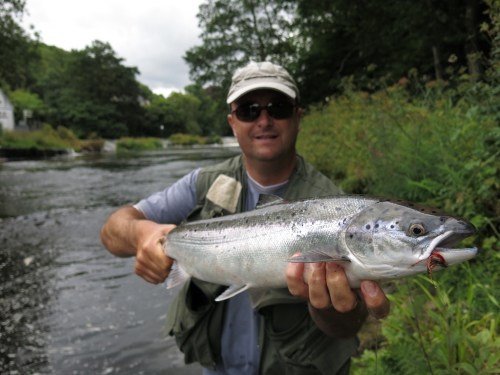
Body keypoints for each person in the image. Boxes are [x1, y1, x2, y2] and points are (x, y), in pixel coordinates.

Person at [101, 61, 390, 375]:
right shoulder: (201, 184)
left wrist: (334, 308)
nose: (264, 120)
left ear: (298, 117)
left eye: (278, 108)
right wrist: (143, 234)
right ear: (232, 122)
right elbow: (113, 230)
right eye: (249, 110)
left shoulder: (337, 209)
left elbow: (345, 327)